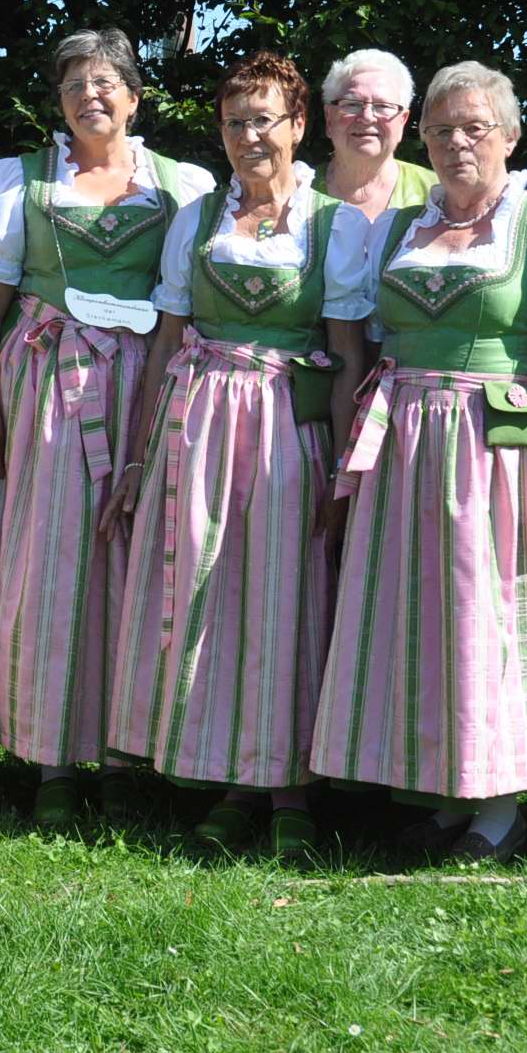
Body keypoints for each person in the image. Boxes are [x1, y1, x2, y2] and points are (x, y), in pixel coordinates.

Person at [309, 60, 527, 863]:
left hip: (493, 451)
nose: (457, 143)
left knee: (486, 619)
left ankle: (501, 804)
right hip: (402, 444)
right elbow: (359, 344)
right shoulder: (394, 230)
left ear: (510, 136)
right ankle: (446, 792)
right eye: (441, 129)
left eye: (475, 128)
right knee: (415, 615)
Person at [103, 50, 371, 857]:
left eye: (264, 120)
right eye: (234, 123)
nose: (249, 136)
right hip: (197, 421)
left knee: (285, 592)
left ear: (297, 126)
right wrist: (141, 455)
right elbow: (166, 342)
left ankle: (289, 785)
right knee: (209, 589)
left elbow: (348, 356)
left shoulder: (337, 227)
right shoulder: (196, 221)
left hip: (289, 423)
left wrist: (344, 465)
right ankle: (228, 776)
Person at [0, 28, 216, 828]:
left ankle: (126, 753)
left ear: (135, 98)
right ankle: (51, 759)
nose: (89, 98)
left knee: (137, 565)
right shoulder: (23, 183)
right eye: (74, 86)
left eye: (105, 84)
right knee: (52, 563)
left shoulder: (184, 187)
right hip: (46, 383)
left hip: (147, 383)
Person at [315, 49, 439, 221]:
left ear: (402, 121)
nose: (367, 117)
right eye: (352, 104)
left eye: (383, 106)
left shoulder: (437, 194)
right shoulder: (299, 193)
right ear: (329, 118)